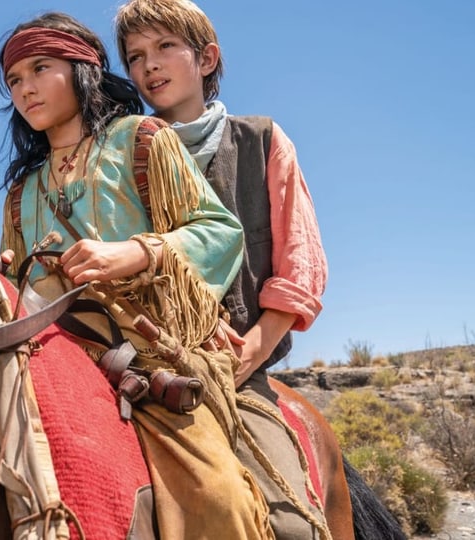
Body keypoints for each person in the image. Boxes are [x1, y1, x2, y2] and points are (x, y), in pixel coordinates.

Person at [0, 11, 274, 539]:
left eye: (39, 68)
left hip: (150, 352)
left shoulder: (142, 139)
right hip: (51, 354)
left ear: (82, 70)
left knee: (218, 498)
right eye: (14, 80)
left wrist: (139, 252)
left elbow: (220, 232)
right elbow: (16, 295)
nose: (25, 88)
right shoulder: (20, 192)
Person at [114, 1, 330, 538]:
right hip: (139, 361)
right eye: (136, 56)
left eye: (166, 47)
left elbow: (299, 264)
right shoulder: (118, 152)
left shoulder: (260, 140)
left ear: (206, 58)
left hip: (239, 371)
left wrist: (254, 348)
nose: (150, 66)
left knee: (292, 531)